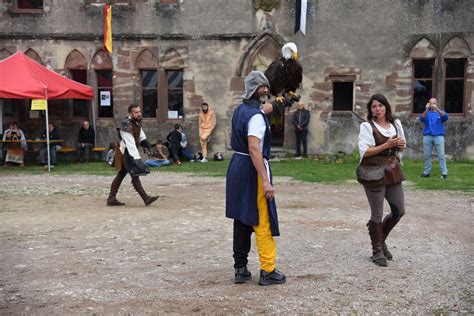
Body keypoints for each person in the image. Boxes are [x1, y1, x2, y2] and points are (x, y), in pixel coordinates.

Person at [226, 70, 286, 286]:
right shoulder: (256, 117)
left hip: (237, 168)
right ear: (258, 89)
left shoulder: (241, 110)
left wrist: (280, 103)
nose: (267, 90)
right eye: (264, 87)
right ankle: (268, 270)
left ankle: (240, 269)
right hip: (252, 169)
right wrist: (266, 181)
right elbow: (254, 147)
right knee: (263, 219)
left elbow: (260, 111)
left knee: (242, 219)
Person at [358, 94, 407, 267]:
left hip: (392, 170)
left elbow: (402, 145)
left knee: (399, 210)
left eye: (380, 105)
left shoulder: (396, 124)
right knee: (377, 213)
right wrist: (386, 145)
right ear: (370, 109)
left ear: (386, 107)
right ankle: (376, 251)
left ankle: (382, 238)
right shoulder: (367, 126)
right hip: (373, 171)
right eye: (374, 106)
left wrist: (400, 145)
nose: (377, 109)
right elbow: (365, 152)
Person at [106, 104, 159, 207]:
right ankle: (146, 198)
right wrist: (137, 160)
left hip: (128, 151)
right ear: (130, 113)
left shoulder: (136, 122)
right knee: (134, 174)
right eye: (136, 112)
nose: (139, 114)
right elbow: (131, 145)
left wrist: (149, 146)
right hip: (126, 152)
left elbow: (141, 136)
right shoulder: (125, 125)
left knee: (121, 175)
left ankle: (111, 199)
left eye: (139, 111)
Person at [419, 97, 449, 179]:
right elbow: (421, 118)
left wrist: (437, 109)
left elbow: (446, 116)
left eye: (434, 103)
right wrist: (426, 109)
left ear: (437, 104)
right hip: (427, 136)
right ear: (428, 104)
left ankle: (444, 173)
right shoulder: (427, 113)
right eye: (431, 103)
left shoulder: (440, 113)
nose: (432, 105)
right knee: (427, 155)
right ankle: (426, 172)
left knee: (441, 155)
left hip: (439, 136)